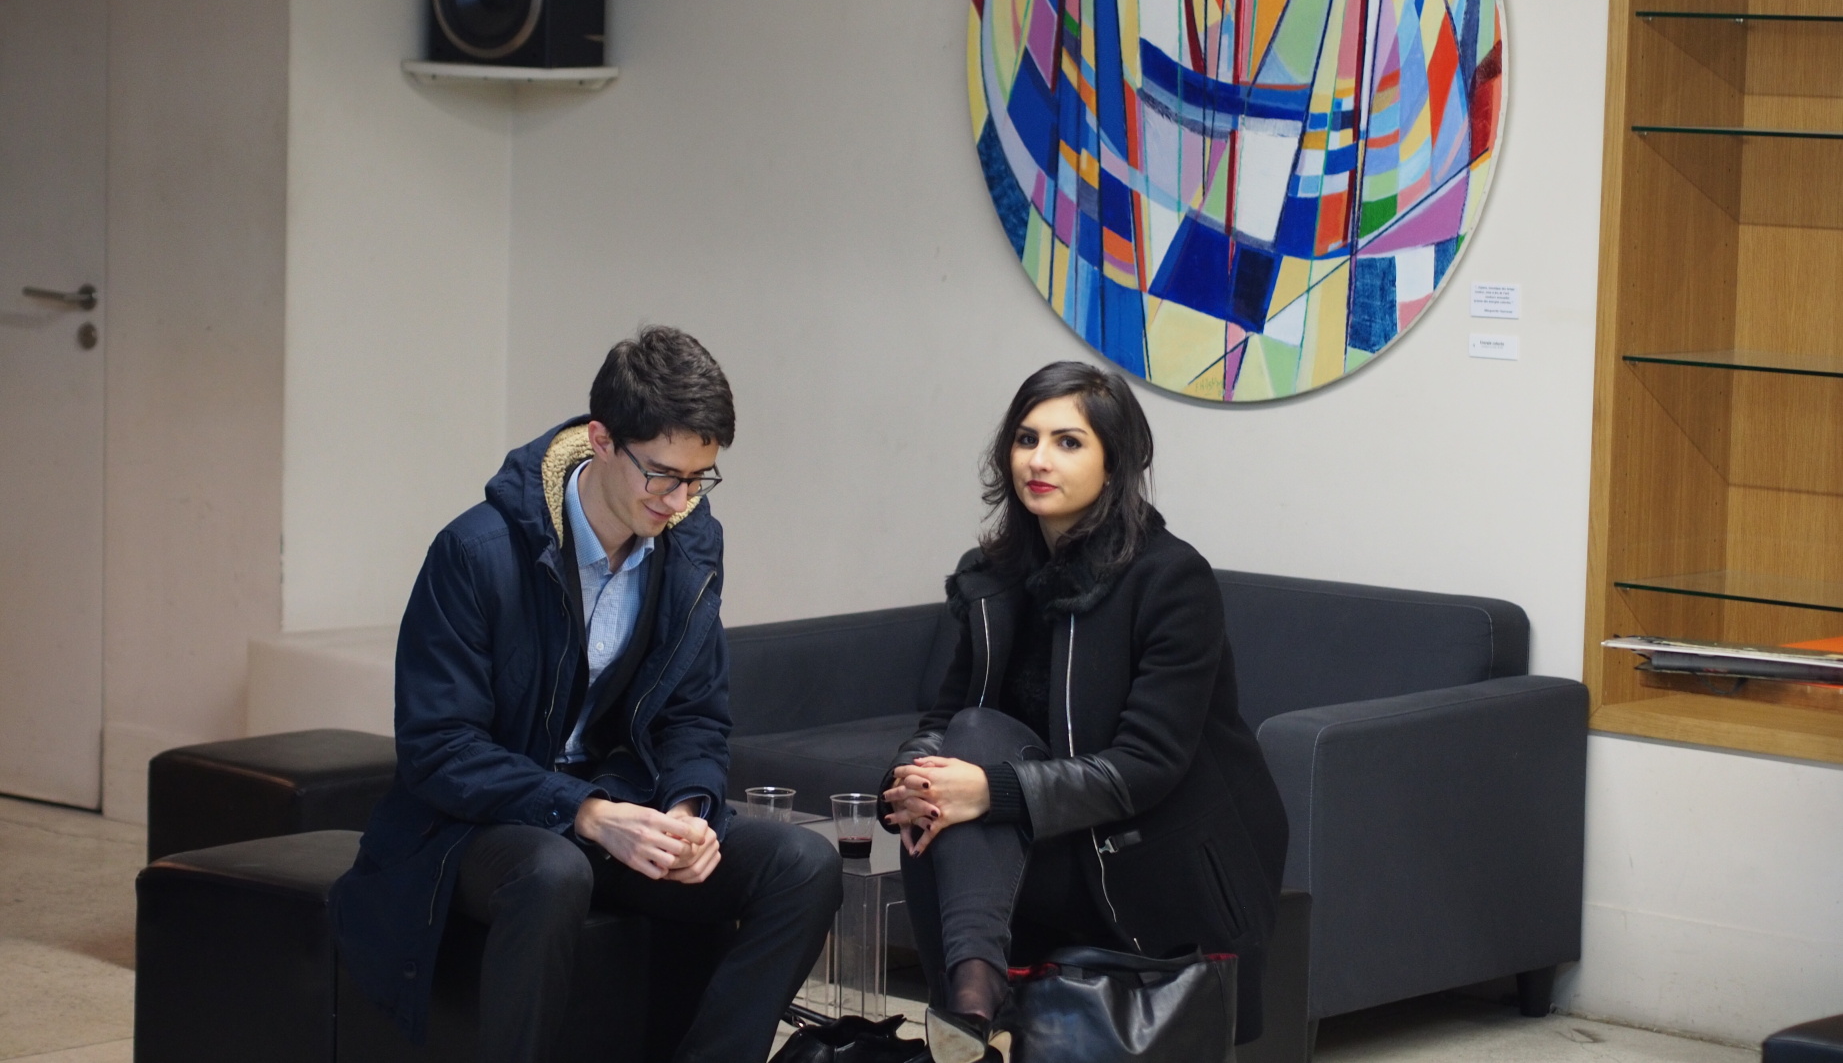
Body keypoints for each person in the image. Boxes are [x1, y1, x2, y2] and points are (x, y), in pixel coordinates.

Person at [330, 326, 841, 1063]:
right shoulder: (476, 553)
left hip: (618, 806)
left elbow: (695, 714)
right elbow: (439, 749)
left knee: (803, 864)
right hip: (474, 824)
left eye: (700, 478)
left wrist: (687, 810)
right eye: (661, 475)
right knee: (552, 869)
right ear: (601, 440)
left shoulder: (689, 546)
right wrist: (587, 813)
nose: (679, 500)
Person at [883, 361, 1289, 1063]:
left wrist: (990, 791)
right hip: (1041, 845)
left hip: (1147, 858)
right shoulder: (993, 576)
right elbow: (947, 714)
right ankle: (974, 1004)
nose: (1038, 460)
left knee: (966, 774)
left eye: (1067, 442)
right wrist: (914, 776)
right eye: (1025, 439)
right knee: (945, 779)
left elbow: (1146, 766)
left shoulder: (1170, 579)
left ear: (1114, 463)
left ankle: (969, 1004)